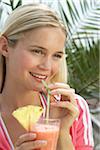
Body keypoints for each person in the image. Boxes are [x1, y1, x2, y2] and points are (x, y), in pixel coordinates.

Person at [0, 3, 94, 150]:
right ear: (5, 47)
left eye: (57, 55)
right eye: (37, 51)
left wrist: (62, 133)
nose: (47, 67)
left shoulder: (74, 109)